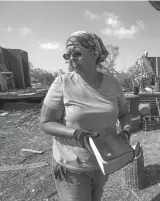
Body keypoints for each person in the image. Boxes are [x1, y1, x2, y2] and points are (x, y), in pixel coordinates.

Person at [40, 31, 132, 201]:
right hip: (72, 168)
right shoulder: (62, 83)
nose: (71, 59)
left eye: (77, 53)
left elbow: (125, 114)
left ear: (94, 53)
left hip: (103, 163)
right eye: (68, 55)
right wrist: (76, 133)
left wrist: (126, 131)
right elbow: (46, 122)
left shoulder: (113, 84)